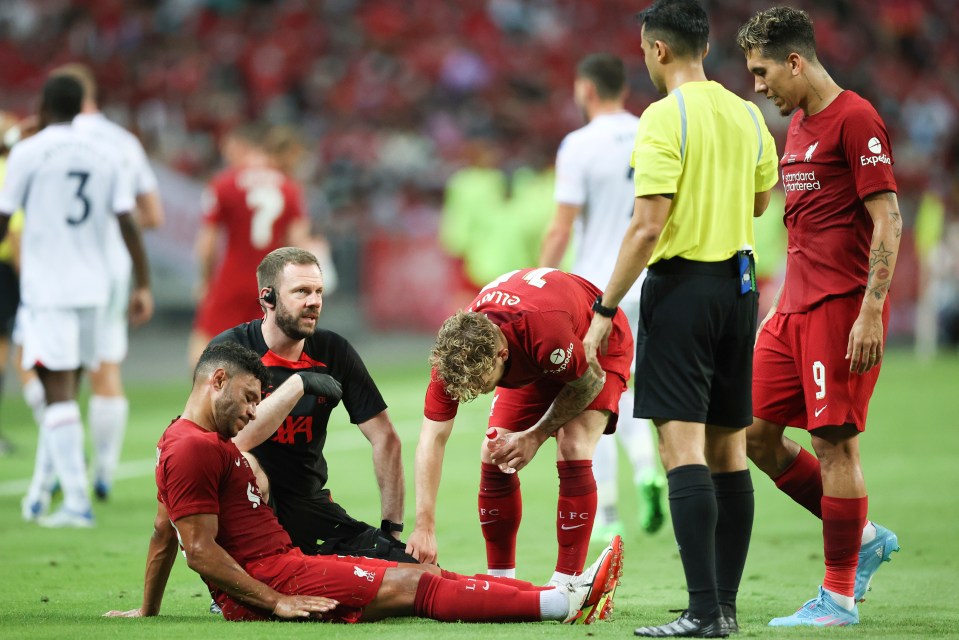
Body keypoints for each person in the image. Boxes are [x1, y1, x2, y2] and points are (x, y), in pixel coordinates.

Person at [103, 341, 622, 625]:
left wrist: (148, 612)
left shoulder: (199, 442)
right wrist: (274, 599)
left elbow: (160, 530)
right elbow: (196, 549)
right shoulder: (190, 446)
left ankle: (561, 593)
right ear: (217, 380)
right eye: (248, 396)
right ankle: (560, 604)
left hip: (290, 565)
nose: (254, 409)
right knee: (416, 585)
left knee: (422, 574)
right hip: (273, 580)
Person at [582, 1, 779, 636]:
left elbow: (647, 225)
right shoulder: (748, 113)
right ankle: (721, 606)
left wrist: (604, 307)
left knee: (680, 447)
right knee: (727, 449)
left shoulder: (665, 118)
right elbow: (758, 197)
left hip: (684, 286)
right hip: (739, 286)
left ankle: (701, 613)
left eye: (645, 49)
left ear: (659, 50)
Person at [736, 6, 903, 627]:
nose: (758, 84)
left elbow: (887, 218)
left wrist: (871, 311)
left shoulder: (856, 119)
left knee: (832, 445)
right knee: (752, 433)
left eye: (762, 71)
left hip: (841, 309)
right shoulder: (799, 126)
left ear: (795, 61)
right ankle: (862, 538)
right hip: (792, 310)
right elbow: (806, 229)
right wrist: (778, 304)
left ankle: (836, 599)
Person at [408, 267, 634, 591]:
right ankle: (502, 584)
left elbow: (588, 383)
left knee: (572, 444)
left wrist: (536, 435)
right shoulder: (454, 354)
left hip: (595, 345)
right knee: (495, 449)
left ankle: (567, 586)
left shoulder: (544, 332)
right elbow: (431, 439)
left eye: (483, 385)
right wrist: (424, 524)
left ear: (502, 354)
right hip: (539, 352)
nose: (477, 392)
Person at [0, 75, 153, 527]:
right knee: (71, 387)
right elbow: (129, 223)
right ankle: (45, 489)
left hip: (49, 289)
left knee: (55, 391)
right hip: (96, 287)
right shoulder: (108, 154)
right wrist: (143, 283)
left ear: (44, 105)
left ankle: (74, 502)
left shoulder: (28, 152)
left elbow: (5, 217)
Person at [209, 246, 412, 561]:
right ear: (268, 298)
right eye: (301, 291)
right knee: (247, 466)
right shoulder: (231, 351)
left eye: (319, 291)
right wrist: (297, 384)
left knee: (410, 570)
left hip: (310, 507)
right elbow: (235, 443)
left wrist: (391, 532)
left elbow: (385, 437)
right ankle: (238, 580)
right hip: (251, 509)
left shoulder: (333, 351)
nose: (314, 301)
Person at [540, 52, 665, 540]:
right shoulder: (648, 132)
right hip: (649, 278)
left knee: (594, 394)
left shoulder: (578, 145)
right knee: (634, 389)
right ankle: (647, 465)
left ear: (586, 90)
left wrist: (542, 277)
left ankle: (608, 512)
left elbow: (561, 225)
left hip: (598, 289)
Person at [187, 123, 311, 366]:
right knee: (268, 351)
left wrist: (205, 280)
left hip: (232, 278)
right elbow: (299, 245)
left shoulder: (224, 183)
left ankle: (204, 401)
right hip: (272, 280)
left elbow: (207, 244)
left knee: (203, 346)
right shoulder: (289, 187)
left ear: (239, 146)